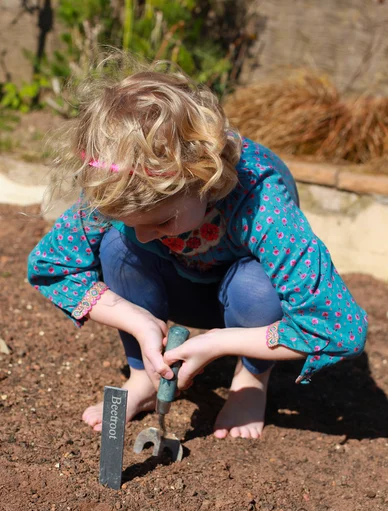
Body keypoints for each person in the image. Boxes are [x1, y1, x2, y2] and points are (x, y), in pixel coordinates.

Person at [27, 54, 368, 440]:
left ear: (205, 181)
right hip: (176, 285)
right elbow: (52, 266)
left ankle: (250, 381)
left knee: (257, 284)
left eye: (162, 221)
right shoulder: (122, 180)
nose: (145, 234)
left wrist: (218, 342)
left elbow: (338, 327)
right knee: (118, 247)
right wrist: (135, 320)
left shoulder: (261, 203)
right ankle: (143, 377)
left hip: (243, 301)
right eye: (133, 220)